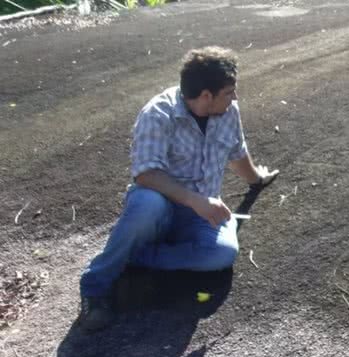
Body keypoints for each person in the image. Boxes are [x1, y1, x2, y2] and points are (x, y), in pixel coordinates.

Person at [78, 46, 278, 331]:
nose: (235, 97)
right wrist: (195, 200)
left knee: (222, 254)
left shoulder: (228, 112)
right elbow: (146, 174)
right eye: (229, 91)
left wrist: (257, 178)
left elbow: (237, 151)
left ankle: (136, 255)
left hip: (199, 213)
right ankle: (94, 287)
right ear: (206, 95)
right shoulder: (158, 113)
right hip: (160, 205)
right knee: (147, 205)